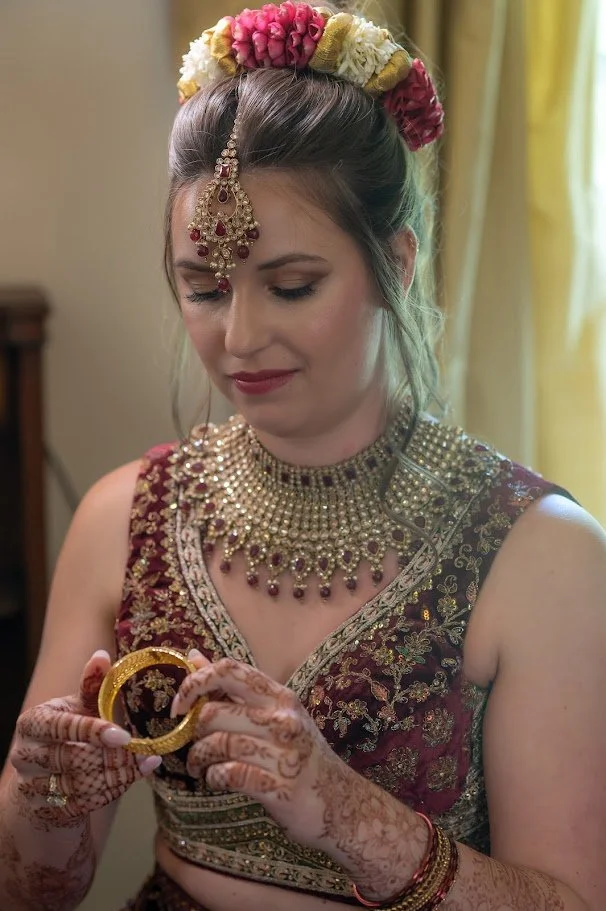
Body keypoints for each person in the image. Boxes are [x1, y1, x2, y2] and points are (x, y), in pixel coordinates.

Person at [1, 2, 605, 909]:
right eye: (204, 287)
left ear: (396, 265)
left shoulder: (543, 553)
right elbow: (35, 890)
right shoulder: (123, 518)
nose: (240, 336)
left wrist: (343, 810)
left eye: (292, 285)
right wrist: (42, 796)